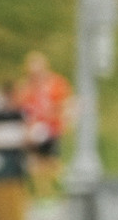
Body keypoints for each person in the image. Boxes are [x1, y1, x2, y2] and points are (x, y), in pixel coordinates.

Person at [15, 50, 74, 199]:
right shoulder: (25, 88)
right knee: (35, 164)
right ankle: (45, 194)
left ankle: (65, 186)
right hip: (34, 131)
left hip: (53, 128)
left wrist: (61, 120)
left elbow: (65, 105)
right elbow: (22, 111)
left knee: (52, 163)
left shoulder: (56, 84)